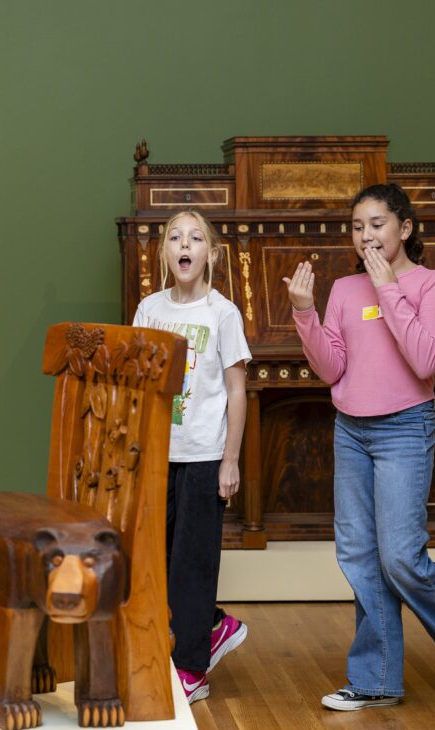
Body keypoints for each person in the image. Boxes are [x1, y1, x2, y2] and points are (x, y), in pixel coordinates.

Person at [283, 183, 435, 711]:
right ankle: (375, 678)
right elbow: (331, 368)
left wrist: (388, 289)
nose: (366, 236)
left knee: (400, 556)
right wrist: (305, 313)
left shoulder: (433, 284)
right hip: (350, 429)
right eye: (357, 227)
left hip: (404, 428)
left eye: (377, 224)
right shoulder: (344, 289)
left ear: (406, 227)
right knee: (358, 554)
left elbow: (425, 361)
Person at [133, 210, 251, 703]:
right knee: (155, 560)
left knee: (193, 562)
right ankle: (214, 623)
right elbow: (138, 384)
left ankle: (191, 668)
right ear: (164, 252)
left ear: (211, 254)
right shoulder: (149, 309)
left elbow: (237, 390)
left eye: (196, 238)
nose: (185, 245)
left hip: (204, 456)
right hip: (158, 454)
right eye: (175, 238)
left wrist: (230, 460)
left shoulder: (222, 313)